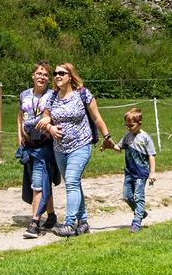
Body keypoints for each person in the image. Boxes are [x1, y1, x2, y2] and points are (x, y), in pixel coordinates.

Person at [36, 62, 114, 237]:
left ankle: (69, 224)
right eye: (55, 73)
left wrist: (107, 138)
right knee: (74, 183)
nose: (57, 76)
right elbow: (45, 117)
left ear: (70, 76)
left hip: (81, 145)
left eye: (61, 73)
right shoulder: (52, 97)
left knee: (71, 182)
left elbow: (96, 117)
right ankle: (83, 222)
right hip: (60, 148)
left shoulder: (83, 94)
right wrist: (50, 128)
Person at [18, 61, 59, 238]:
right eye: (39, 73)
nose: (41, 77)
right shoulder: (24, 95)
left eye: (45, 74)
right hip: (29, 146)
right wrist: (19, 136)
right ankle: (51, 216)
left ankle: (34, 223)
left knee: (38, 183)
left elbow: (56, 117)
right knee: (42, 181)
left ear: (49, 79)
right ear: (33, 76)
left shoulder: (53, 96)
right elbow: (20, 116)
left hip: (45, 145)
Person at [111, 108, 157, 233]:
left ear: (140, 123)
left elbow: (151, 155)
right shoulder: (127, 136)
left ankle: (137, 221)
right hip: (129, 172)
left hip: (141, 173)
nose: (128, 128)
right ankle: (140, 212)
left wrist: (152, 172)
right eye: (126, 125)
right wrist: (108, 144)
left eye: (131, 125)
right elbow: (118, 147)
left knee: (139, 197)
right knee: (126, 196)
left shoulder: (146, 138)